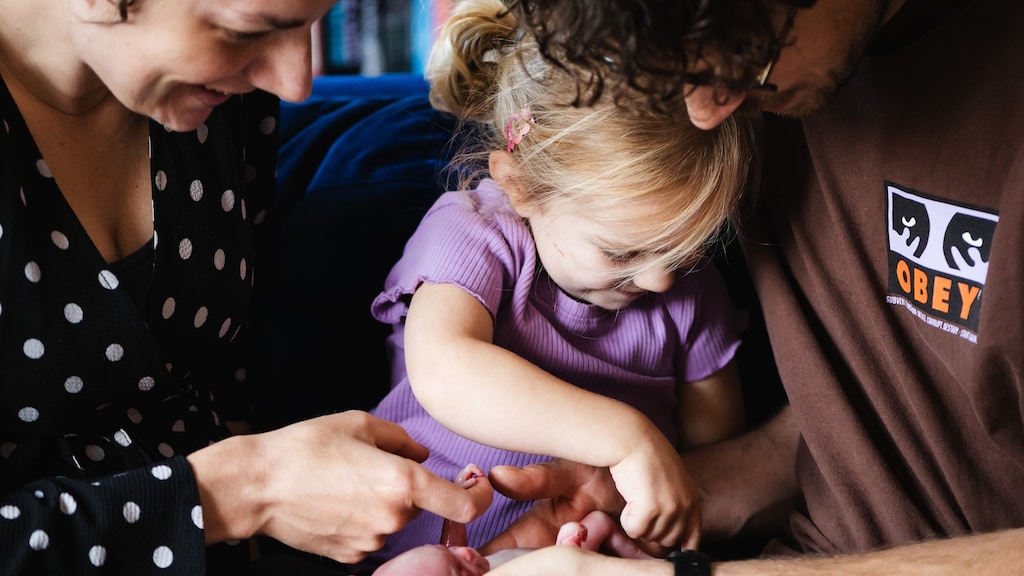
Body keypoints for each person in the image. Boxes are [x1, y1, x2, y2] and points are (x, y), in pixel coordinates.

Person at [472, 0, 1024, 573]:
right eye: (678, 70)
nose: (706, 113)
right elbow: (871, 433)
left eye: (743, 54)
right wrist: (647, 498)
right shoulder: (769, 87)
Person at [0, 0, 492, 574]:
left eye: (310, 25)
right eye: (246, 31)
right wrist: (246, 490)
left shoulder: (222, 100)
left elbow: (229, 379)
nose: (295, 82)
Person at [353, 0, 759, 571]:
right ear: (520, 187)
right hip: (430, 546)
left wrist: (654, 524)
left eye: (685, 248)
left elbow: (708, 458)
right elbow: (445, 368)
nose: (659, 278)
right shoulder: (476, 232)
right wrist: (626, 436)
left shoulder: (691, 293)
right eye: (622, 251)